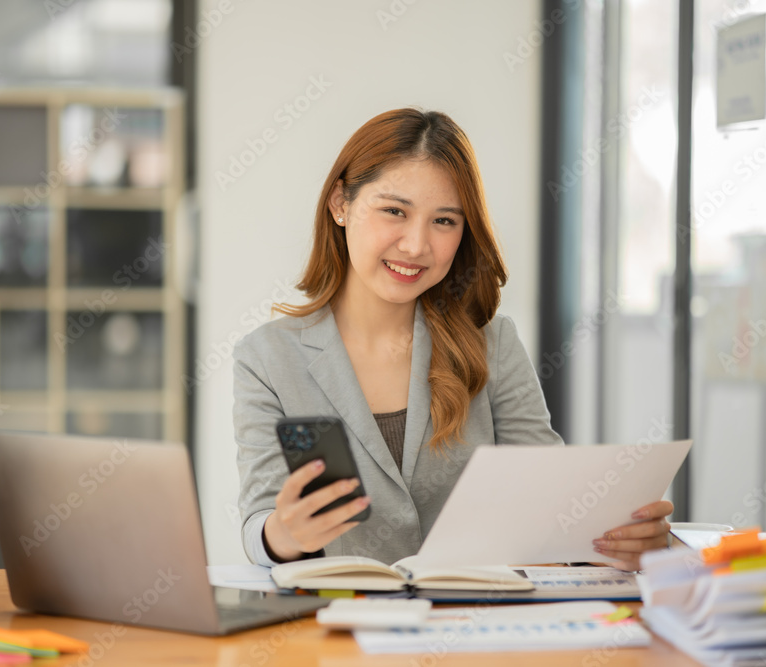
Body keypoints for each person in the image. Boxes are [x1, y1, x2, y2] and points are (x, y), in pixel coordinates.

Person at [233, 108, 672, 571]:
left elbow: (551, 501)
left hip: (478, 624)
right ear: (340, 203)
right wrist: (284, 532)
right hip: (340, 625)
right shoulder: (266, 357)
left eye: (444, 221)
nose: (416, 245)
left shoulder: (492, 344)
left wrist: (621, 536)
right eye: (394, 211)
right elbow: (258, 524)